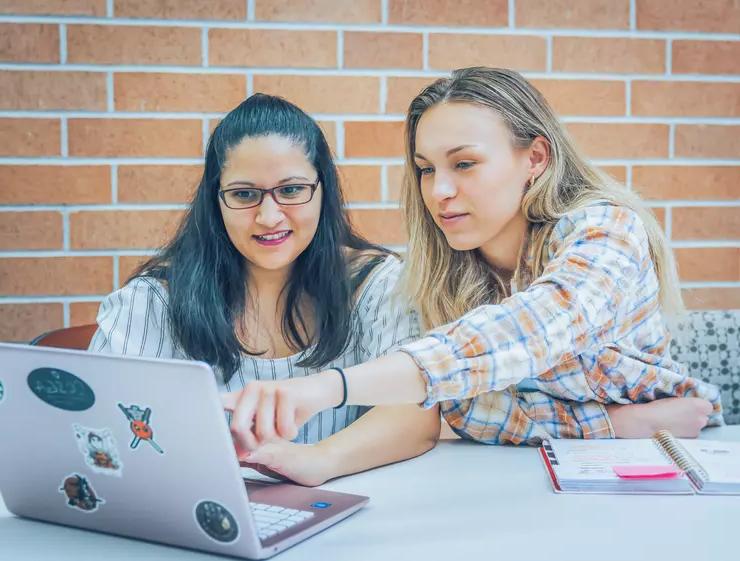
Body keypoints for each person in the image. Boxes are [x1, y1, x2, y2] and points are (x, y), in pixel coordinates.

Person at [222, 67, 722, 450]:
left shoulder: (606, 231)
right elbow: (468, 412)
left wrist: (328, 388)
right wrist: (611, 424)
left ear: (536, 159)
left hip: (667, 465)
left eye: (464, 164)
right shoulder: (443, 270)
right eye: (425, 169)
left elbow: (534, 331)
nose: (438, 191)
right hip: (527, 484)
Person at [89, 94, 439, 485]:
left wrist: (319, 460)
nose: (269, 217)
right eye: (243, 194)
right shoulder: (153, 299)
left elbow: (415, 413)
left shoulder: (378, 284)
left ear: (323, 190)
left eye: (290, 190)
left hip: (349, 521)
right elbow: (97, 423)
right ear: (215, 200)